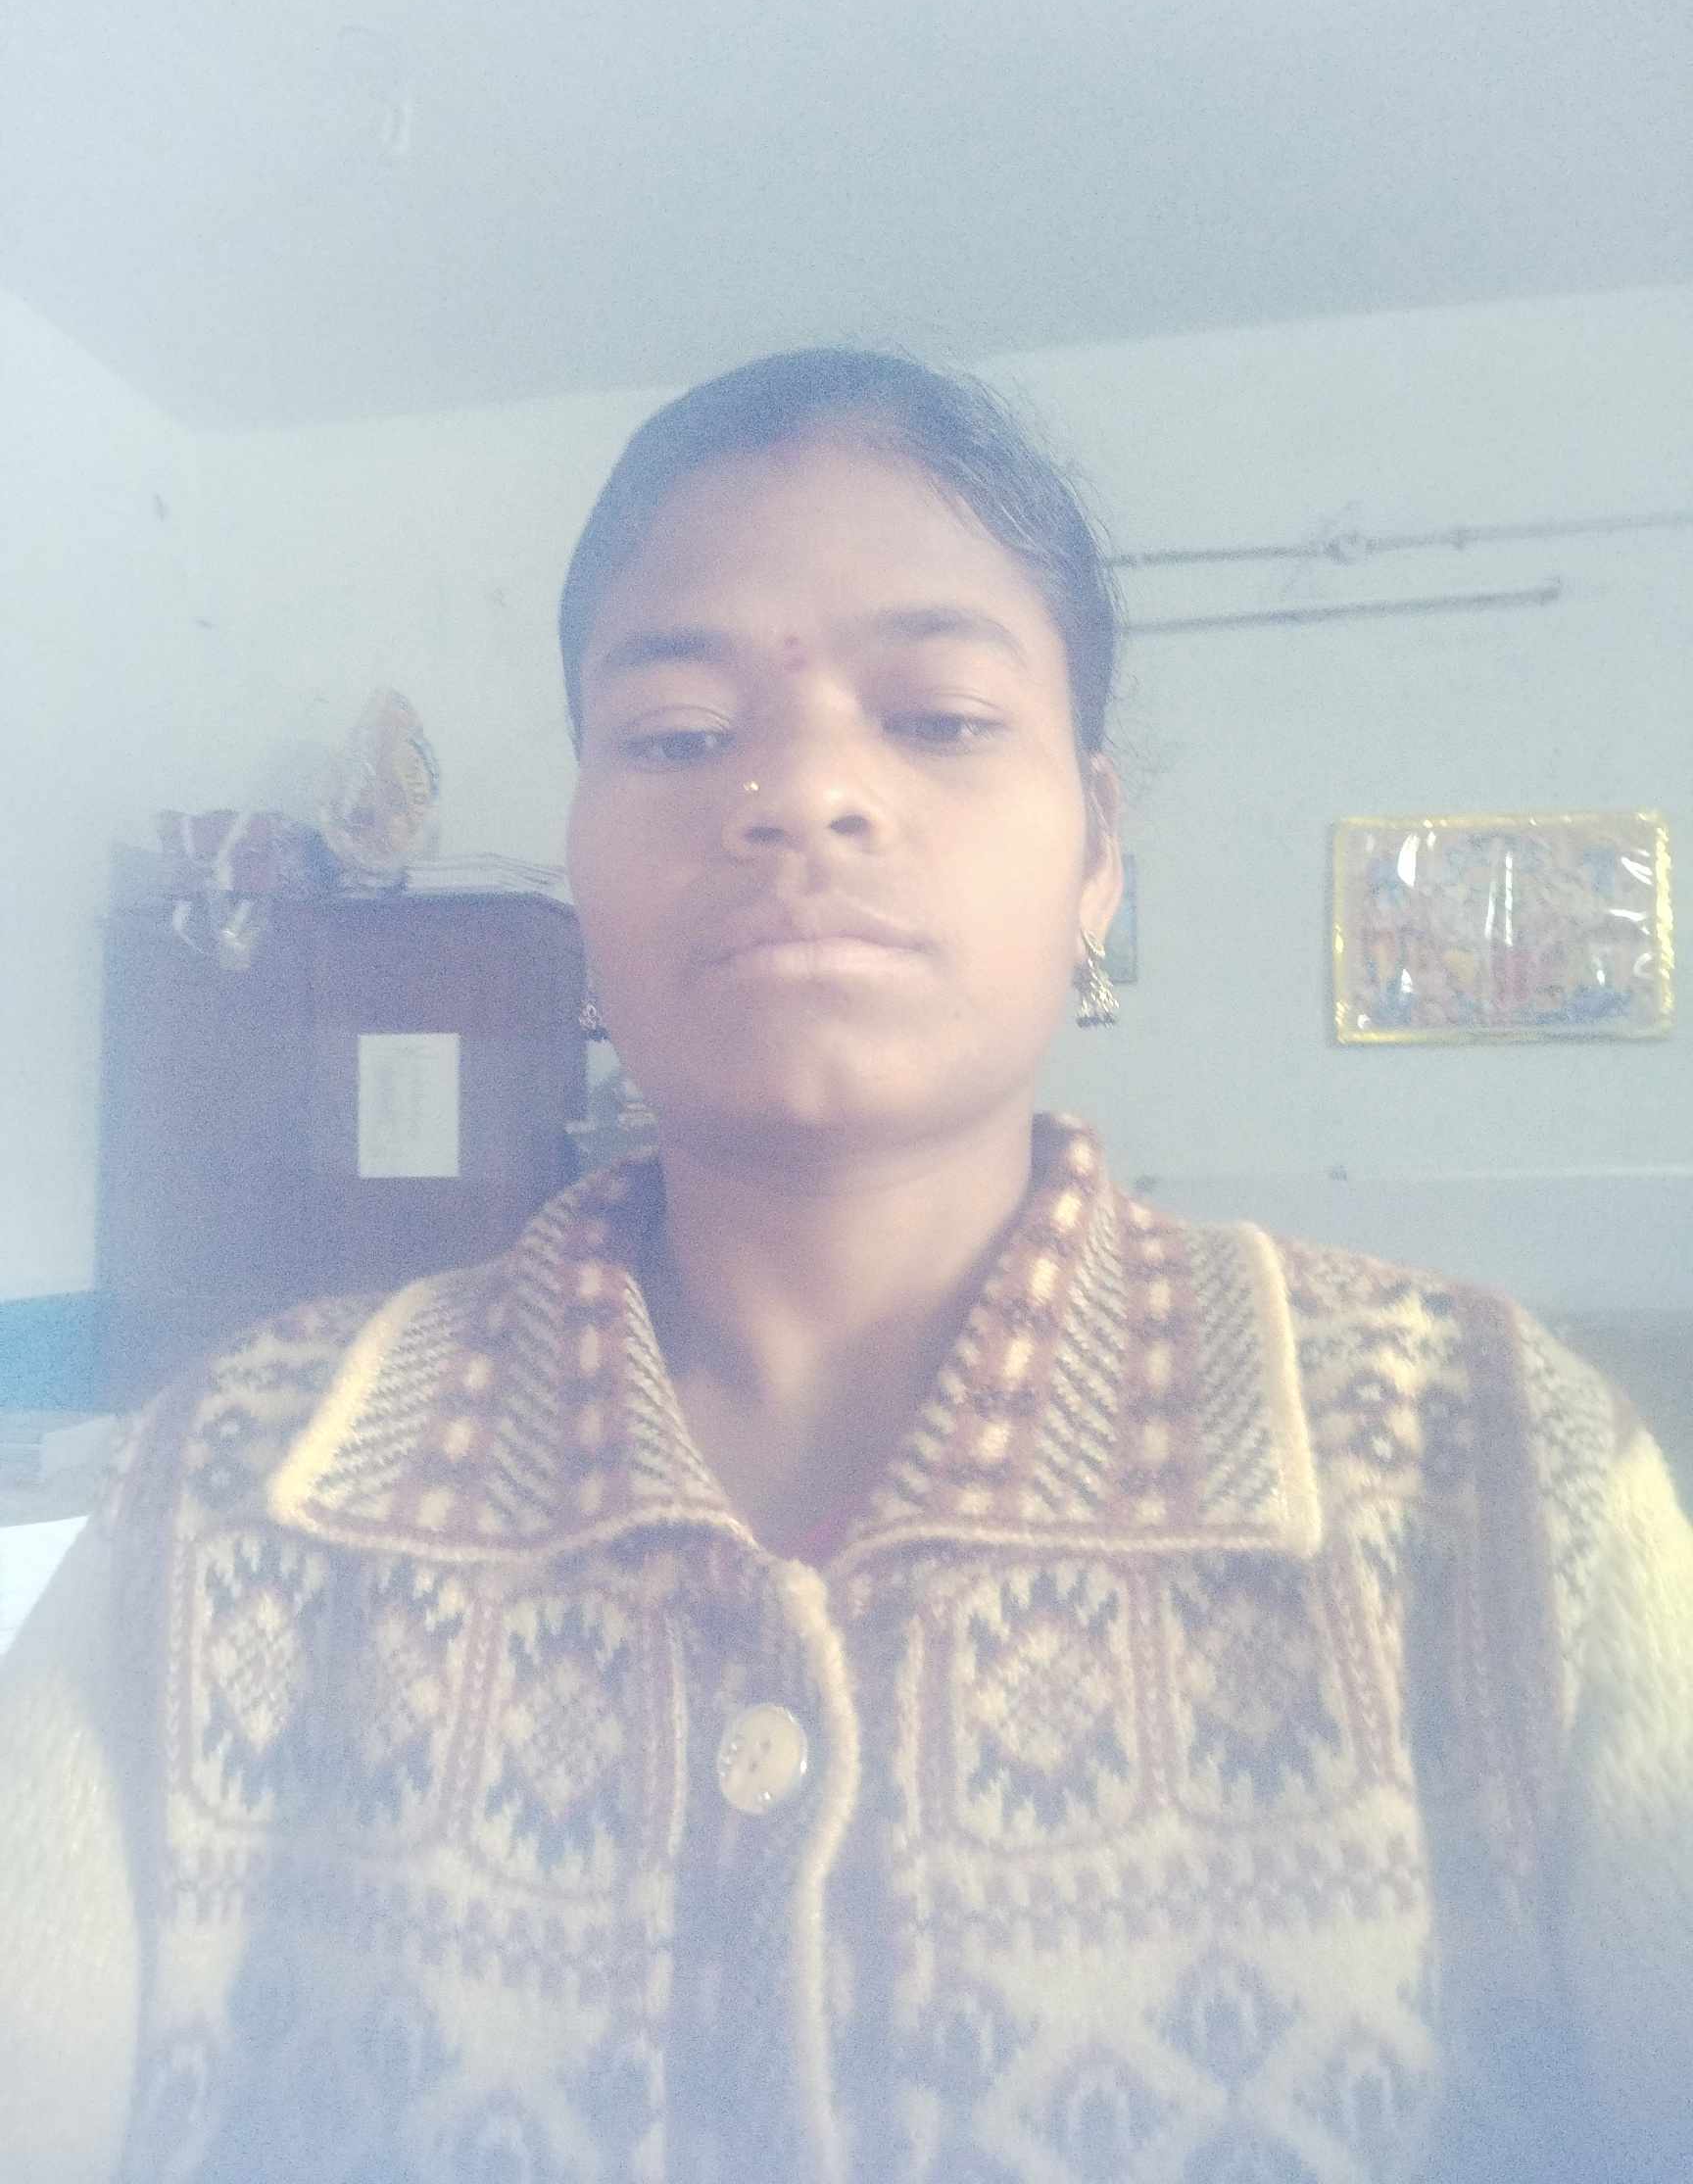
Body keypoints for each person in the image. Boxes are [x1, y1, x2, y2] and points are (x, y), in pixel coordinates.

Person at [1, 348, 1689, 2184]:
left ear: (1100, 856)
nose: (802, 791)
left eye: (941, 718)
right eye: (675, 734)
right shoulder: (234, 1483)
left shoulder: (1489, 1469)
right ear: (580, 850)